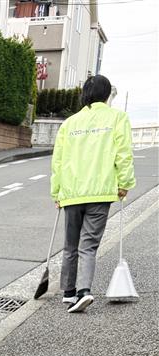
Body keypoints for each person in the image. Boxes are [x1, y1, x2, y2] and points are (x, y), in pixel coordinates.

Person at [50, 74, 135, 313]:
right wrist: (125, 183)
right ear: (107, 94)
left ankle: (68, 293)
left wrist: (56, 191)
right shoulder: (117, 118)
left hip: (72, 191)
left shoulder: (70, 123)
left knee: (70, 245)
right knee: (88, 245)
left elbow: (58, 161)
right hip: (101, 191)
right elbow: (123, 154)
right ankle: (83, 291)